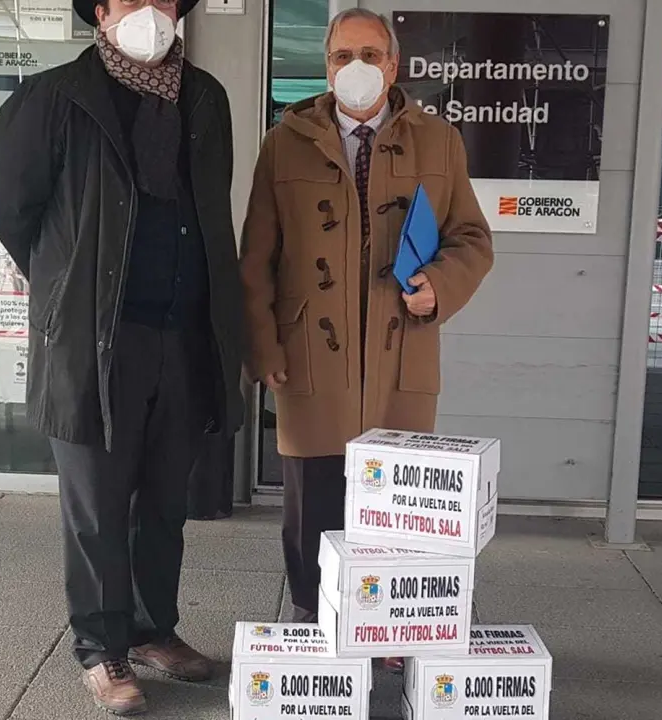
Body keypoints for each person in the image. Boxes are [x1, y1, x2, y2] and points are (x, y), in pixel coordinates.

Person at [0, 0, 244, 714]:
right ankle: (102, 649)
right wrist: (70, 287)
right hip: (95, 342)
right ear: (100, 12)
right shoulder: (53, 99)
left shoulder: (206, 99)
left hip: (183, 336)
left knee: (163, 501)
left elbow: (211, 208)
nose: (148, 11)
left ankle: (154, 631)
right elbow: (8, 208)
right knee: (97, 506)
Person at [240, 8, 494, 630]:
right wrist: (263, 347)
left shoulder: (439, 140)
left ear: (394, 65)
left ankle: (387, 626)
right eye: (341, 56)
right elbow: (256, 259)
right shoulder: (284, 142)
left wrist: (439, 285)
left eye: (370, 55)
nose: (356, 67)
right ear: (327, 69)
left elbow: (471, 239)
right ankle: (311, 614)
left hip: (400, 348)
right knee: (312, 494)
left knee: (396, 499)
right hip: (309, 349)